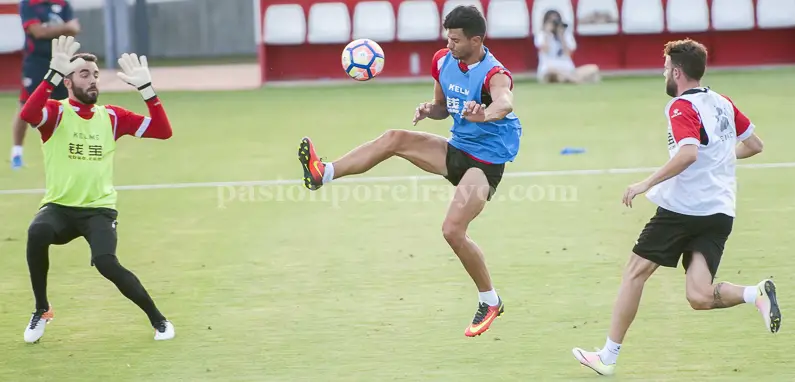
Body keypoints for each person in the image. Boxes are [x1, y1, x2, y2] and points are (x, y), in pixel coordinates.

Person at [298, 5, 521, 338]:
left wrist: (484, 114)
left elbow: (505, 103)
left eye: (456, 40)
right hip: (456, 149)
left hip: (485, 163)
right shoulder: (443, 61)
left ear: (476, 40)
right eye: (448, 38)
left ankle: (490, 301)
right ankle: (323, 173)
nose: (450, 45)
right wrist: (429, 110)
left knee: (452, 230)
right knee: (394, 139)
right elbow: (444, 108)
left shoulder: (495, 73)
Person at [571, 39, 777, 376]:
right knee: (698, 295)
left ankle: (608, 356)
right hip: (720, 212)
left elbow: (688, 153)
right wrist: (718, 161)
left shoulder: (681, 107)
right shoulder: (723, 102)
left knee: (635, 271)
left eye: (666, 69)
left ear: (677, 72)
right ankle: (755, 294)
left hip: (683, 209)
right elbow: (754, 145)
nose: (664, 74)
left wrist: (645, 183)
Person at [19, 36, 175, 343]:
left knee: (106, 262)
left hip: (99, 210)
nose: (93, 81)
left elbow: (163, 131)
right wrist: (50, 75)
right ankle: (41, 309)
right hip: (60, 207)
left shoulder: (112, 117)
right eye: (84, 74)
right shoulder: (56, 112)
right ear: (68, 81)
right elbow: (27, 115)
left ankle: (159, 321)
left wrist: (147, 90)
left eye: (95, 75)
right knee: (37, 232)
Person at [11, 0, 81, 170]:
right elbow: (38, 32)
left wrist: (52, 29)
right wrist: (64, 28)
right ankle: (17, 154)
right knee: (25, 106)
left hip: (62, 61)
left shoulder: (63, 4)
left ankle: (69, 152)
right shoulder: (29, 4)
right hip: (36, 63)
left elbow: (75, 30)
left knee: (67, 107)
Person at [534, 9, 600, 84]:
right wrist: (547, 33)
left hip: (567, 69)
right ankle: (573, 80)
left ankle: (568, 79)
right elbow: (545, 50)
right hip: (550, 70)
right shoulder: (541, 35)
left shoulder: (566, 35)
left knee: (593, 69)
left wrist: (561, 37)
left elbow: (567, 54)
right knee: (552, 73)